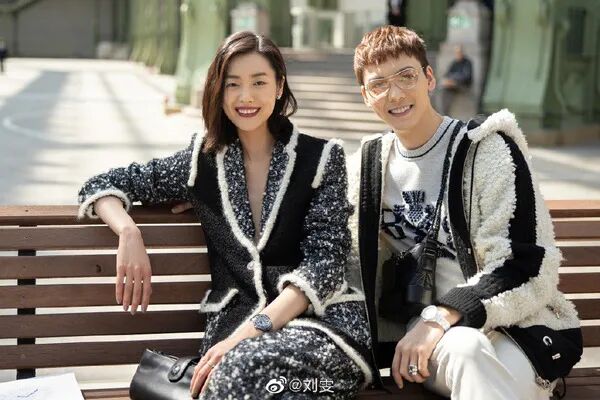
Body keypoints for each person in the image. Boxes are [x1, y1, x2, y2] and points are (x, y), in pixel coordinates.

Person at [77, 31, 374, 399]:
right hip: (236, 337)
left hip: (320, 332)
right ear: (219, 91)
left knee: (241, 375)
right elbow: (101, 185)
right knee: (254, 384)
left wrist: (251, 332)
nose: (245, 96)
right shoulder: (201, 163)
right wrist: (128, 233)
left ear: (279, 87)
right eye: (233, 84)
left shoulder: (322, 159)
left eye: (259, 82)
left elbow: (323, 264)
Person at [347, 25, 582, 399]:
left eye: (406, 76)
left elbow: (525, 263)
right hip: (436, 344)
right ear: (365, 96)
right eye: (379, 84)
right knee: (465, 349)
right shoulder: (366, 169)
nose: (395, 94)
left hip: (516, 329)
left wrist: (441, 316)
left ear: (429, 78)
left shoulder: (487, 151)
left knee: (473, 356)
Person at [439, 45, 473, 115]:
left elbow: (466, 76)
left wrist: (454, 80)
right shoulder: (454, 62)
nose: (458, 54)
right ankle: (444, 112)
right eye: (457, 53)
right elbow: (447, 74)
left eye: (459, 52)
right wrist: (448, 81)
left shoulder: (467, 62)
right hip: (453, 86)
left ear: (462, 52)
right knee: (442, 88)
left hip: (463, 85)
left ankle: (445, 113)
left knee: (447, 89)